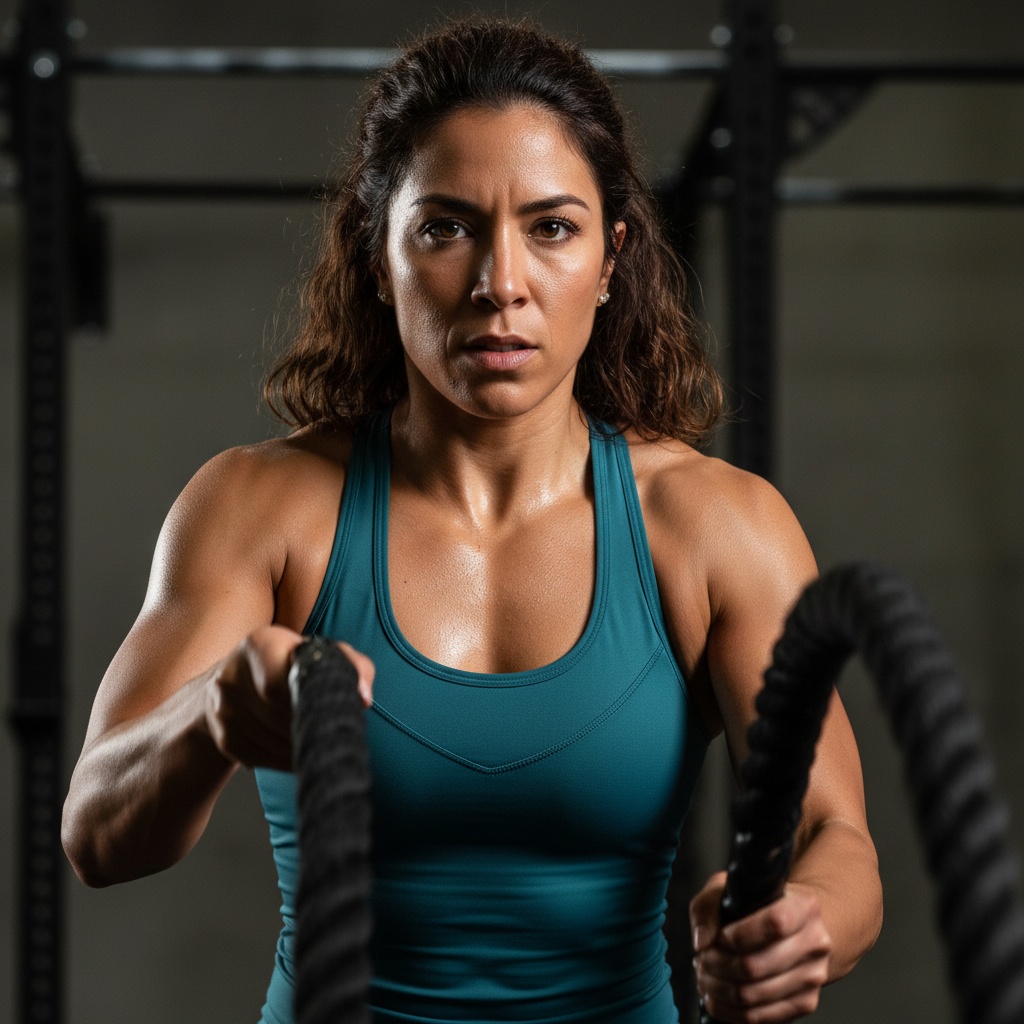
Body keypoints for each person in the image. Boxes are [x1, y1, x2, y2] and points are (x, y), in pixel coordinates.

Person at [62, 17, 882, 1024]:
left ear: (611, 256)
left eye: (550, 227)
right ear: (378, 257)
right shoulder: (260, 506)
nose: (502, 284)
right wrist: (211, 716)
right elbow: (97, 833)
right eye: (446, 227)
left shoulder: (713, 526)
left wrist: (806, 920)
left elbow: (835, 838)